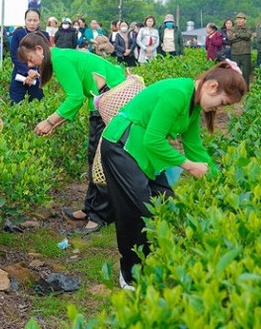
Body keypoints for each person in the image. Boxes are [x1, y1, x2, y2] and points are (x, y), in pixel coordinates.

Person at [100, 61, 247, 290]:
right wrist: (189, 166)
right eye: (222, 103)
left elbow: (195, 147)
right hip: (122, 145)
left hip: (144, 150)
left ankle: (150, 262)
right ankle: (129, 274)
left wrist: (220, 181)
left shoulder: (193, 103)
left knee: (164, 202)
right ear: (212, 87)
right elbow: (154, 139)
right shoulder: (177, 93)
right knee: (137, 210)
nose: (219, 109)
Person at [17, 32, 126, 235]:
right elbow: (76, 101)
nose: (31, 65)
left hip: (112, 100)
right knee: (93, 156)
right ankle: (90, 208)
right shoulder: (59, 55)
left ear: (39, 50)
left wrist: (49, 121)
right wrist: (53, 125)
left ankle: (99, 216)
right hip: (103, 99)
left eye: (31, 59)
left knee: (101, 159)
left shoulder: (59, 59)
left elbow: (75, 98)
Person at [9, 9, 48, 104]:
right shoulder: (18, 34)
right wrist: (27, 71)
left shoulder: (44, 35)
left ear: (39, 21)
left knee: (36, 103)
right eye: (29, 20)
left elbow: (45, 57)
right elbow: (14, 55)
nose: (32, 23)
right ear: (25, 20)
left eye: (35, 20)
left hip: (37, 76)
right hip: (19, 74)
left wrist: (34, 74)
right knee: (16, 103)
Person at [227, 12, 254, 87]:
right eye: (238, 19)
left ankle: (246, 88)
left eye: (241, 19)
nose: (239, 21)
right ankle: (236, 88)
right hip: (235, 53)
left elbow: (247, 36)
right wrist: (240, 36)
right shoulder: (232, 29)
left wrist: (237, 35)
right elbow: (230, 38)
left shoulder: (249, 28)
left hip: (246, 53)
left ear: (244, 20)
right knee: (235, 72)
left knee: (246, 73)